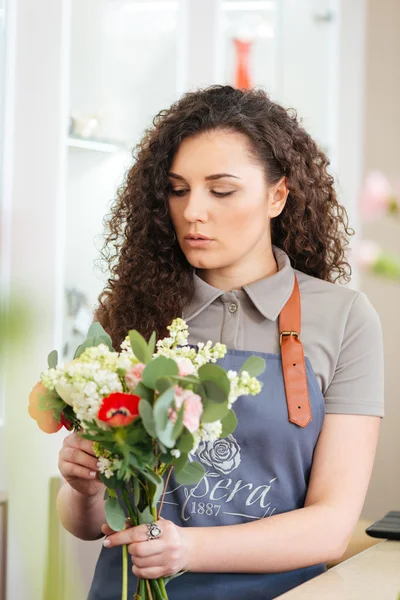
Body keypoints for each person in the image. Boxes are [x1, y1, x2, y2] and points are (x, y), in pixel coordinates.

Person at [56, 85, 384, 600]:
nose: (192, 212)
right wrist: (85, 487)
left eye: (222, 190)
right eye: (178, 189)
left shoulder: (344, 319)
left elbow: (330, 526)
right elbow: (90, 523)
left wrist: (188, 549)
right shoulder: (132, 309)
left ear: (278, 195)